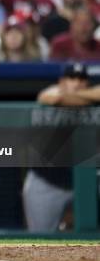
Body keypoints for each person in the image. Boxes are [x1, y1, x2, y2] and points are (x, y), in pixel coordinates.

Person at [28, 63, 99, 232]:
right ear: (62, 81)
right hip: (48, 181)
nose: (77, 82)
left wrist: (75, 95)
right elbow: (54, 98)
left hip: (87, 183)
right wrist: (86, 97)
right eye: (71, 78)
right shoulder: (52, 90)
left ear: (87, 83)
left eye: (81, 79)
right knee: (39, 241)